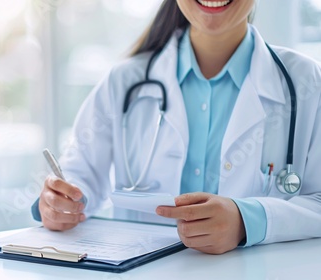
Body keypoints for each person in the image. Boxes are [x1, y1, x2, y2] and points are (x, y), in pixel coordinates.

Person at [32, 0, 321, 254]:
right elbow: (79, 178)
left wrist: (247, 220)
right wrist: (57, 204)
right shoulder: (124, 82)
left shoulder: (306, 81)